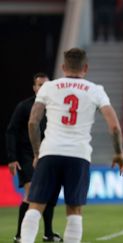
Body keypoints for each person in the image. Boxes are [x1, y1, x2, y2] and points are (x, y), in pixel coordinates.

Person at [20, 48, 123, 243]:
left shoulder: (48, 87)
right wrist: (119, 153)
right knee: (74, 210)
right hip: (79, 155)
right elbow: (114, 127)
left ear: (63, 68)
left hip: (50, 152)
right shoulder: (96, 90)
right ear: (85, 68)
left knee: (35, 206)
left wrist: (37, 153)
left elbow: (33, 122)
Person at [6, 73, 63, 243]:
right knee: (32, 193)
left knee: (50, 194)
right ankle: (20, 235)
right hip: (26, 155)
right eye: (40, 85)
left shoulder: (56, 106)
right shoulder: (24, 107)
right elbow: (11, 131)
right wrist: (11, 157)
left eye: (46, 85)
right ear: (34, 88)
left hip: (48, 154)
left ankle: (48, 234)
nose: (43, 88)